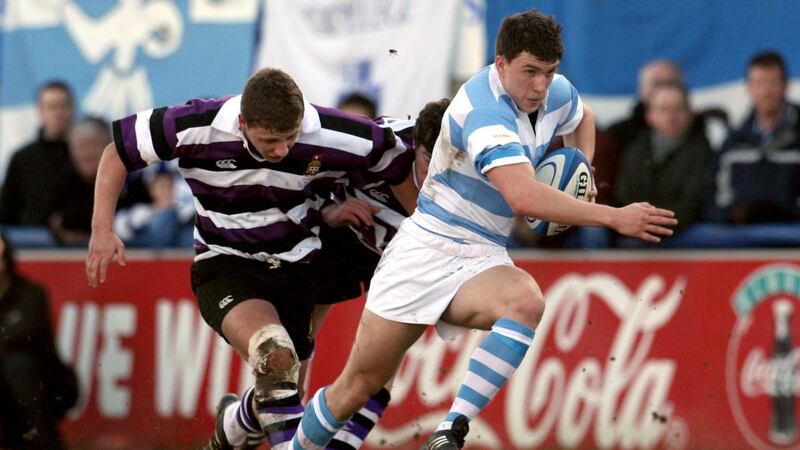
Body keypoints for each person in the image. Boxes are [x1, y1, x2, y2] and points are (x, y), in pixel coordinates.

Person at [289, 10, 677, 450]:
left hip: (482, 251)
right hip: (425, 248)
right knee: (357, 387)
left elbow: (581, 115)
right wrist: (612, 215)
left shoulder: (551, 91)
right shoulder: (484, 112)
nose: (540, 86)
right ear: (500, 64)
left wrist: (581, 168)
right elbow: (523, 198)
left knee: (525, 302)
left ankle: (449, 432)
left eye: (548, 73)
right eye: (529, 71)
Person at [84, 68, 418, 449]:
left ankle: (233, 424)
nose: (281, 151)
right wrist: (101, 229)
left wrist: (420, 230)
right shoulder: (196, 124)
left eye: (291, 139)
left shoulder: (330, 130)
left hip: (298, 268)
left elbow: (391, 156)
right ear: (242, 122)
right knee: (274, 355)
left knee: (283, 390)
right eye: (270, 141)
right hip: (226, 262)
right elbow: (118, 152)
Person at [206, 98, 451, 450]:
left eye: (448, 161)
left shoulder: (469, 169)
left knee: (378, 369)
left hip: (399, 258)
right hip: (337, 244)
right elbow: (304, 173)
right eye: (430, 159)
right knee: (289, 382)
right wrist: (331, 210)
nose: (437, 172)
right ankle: (235, 421)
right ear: (415, 146)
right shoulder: (377, 146)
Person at [0, 233, 78, 449]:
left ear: (7, 260)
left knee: (18, 365)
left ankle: (45, 442)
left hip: (47, 383)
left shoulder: (30, 293)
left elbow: (22, 334)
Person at [707, 51, 800, 224]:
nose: (766, 91)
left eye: (773, 82)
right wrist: (733, 215)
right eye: (759, 83)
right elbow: (712, 196)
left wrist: (784, 214)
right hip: (743, 243)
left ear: (786, 85)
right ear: (748, 87)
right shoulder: (734, 142)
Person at [614, 81, 714, 239]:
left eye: (677, 109)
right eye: (663, 109)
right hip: (637, 233)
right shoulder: (636, 150)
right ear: (649, 115)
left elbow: (693, 204)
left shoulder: (704, 153)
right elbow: (625, 195)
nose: (671, 116)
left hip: (685, 231)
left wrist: (651, 222)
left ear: (690, 113)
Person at [0, 81, 75, 246]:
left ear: (73, 109)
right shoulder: (23, 158)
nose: (58, 113)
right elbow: (7, 208)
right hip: (32, 246)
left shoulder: (88, 156)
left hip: (81, 242)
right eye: (52, 107)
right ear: (40, 112)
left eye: (63, 106)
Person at [48, 116, 110, 246]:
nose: (88, 154)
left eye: (94, 145)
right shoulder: (59, 180)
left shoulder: (129, 180)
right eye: (81, 146)